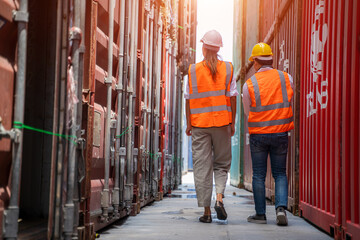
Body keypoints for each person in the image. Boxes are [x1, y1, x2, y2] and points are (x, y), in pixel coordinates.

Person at [185, 30, 238, 223]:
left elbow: (188, 100)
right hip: (222, 123)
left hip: (200, 125)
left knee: (202, 167)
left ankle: (206, 213)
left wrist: (189, 124)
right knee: (222, 164)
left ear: (203, 47)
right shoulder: (229, 68)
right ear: (218, 49)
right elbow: (233, 98)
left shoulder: (192, 70)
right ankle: (219, 198)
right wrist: (232, 122)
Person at [242, 42, 294, 226]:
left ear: (256, 63)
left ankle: (260, 214)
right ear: (271, 60)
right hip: (281, 133)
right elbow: (289, 100)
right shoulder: (286, 78)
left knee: (258, 174)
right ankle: (280, 209)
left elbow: (248, 111)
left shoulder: (249, 84)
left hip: (259, 135)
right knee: (280, 173)